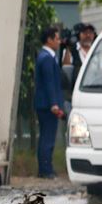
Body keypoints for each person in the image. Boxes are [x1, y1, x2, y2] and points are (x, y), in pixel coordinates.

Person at [33, 25, 67, 178]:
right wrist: (54, 104)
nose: (59, 42)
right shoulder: (46, 58)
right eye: (57, 38)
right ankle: (45, 169)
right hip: (47, 105)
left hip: (44, 104)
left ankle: (46, 167)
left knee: (46, 137)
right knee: (48, 138)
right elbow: (49, 82)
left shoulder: (46, 57)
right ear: (49, 40)